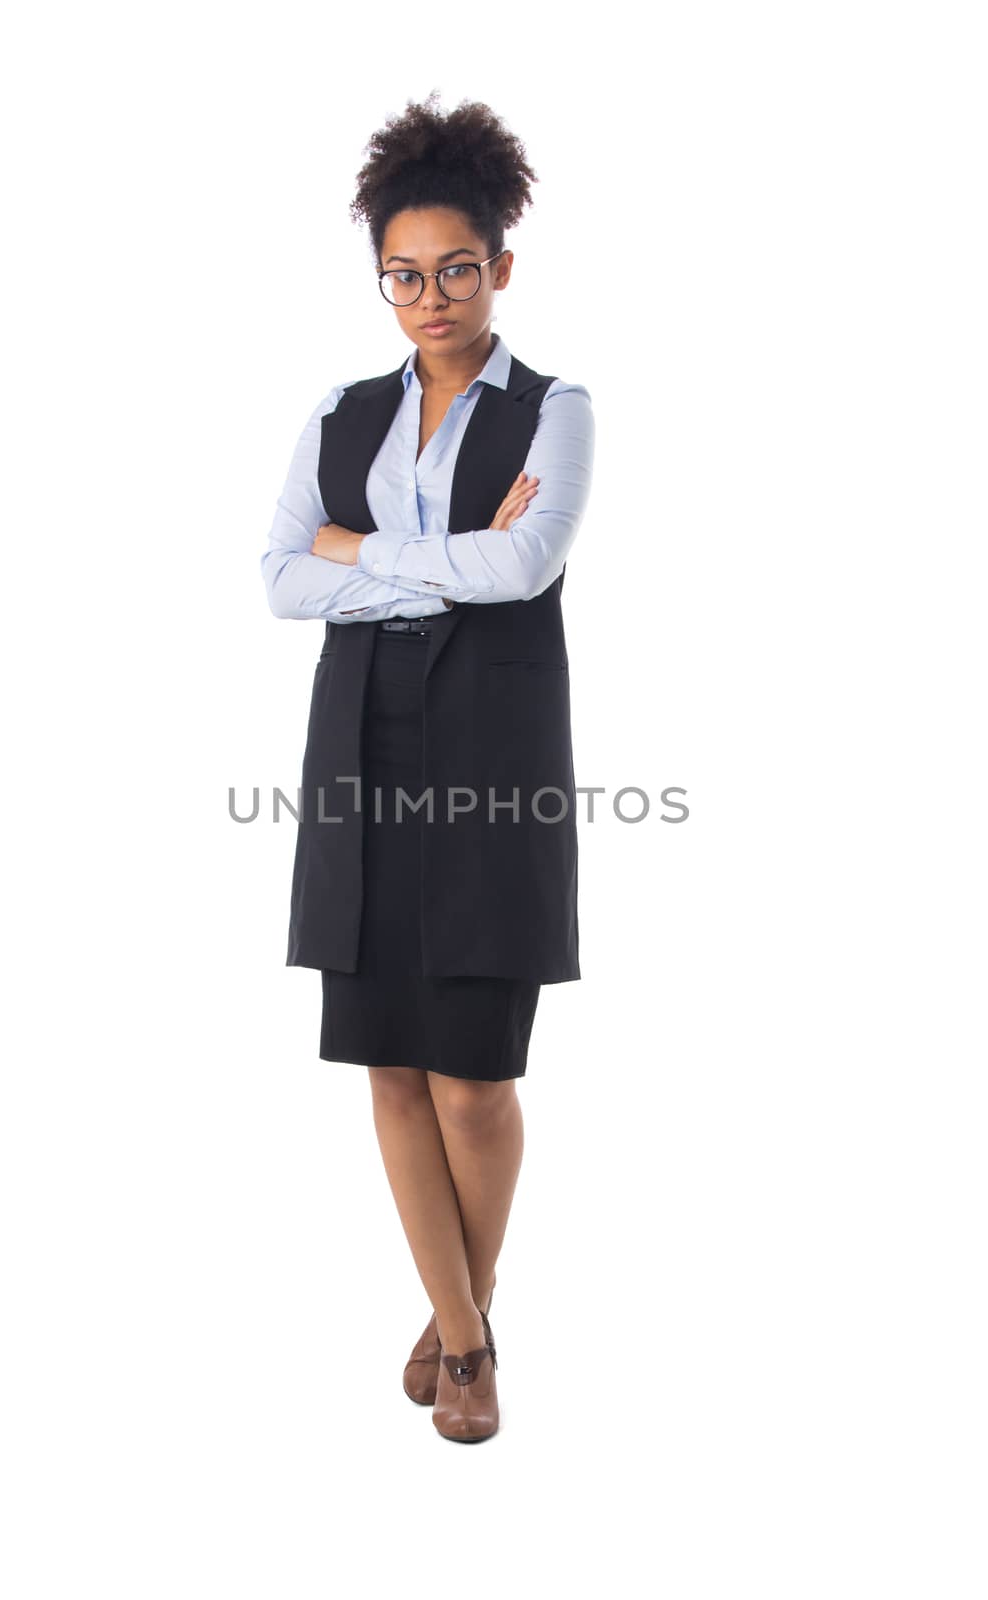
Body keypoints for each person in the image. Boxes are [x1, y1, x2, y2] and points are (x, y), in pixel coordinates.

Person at [260, 92, 595, 1442]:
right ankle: (467, 1342)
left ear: (500, 266)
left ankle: (468, 1310)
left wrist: (361, 556)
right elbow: (280, 583)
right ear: (381, 280)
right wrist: (420, 572)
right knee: (390, 1065)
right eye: (405, 274)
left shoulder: (556, 412)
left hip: (495, 759)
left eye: (457, 269)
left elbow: (524, 569)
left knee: (475, 1073)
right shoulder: (342, 413)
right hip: (359, 752)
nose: (431, 298)